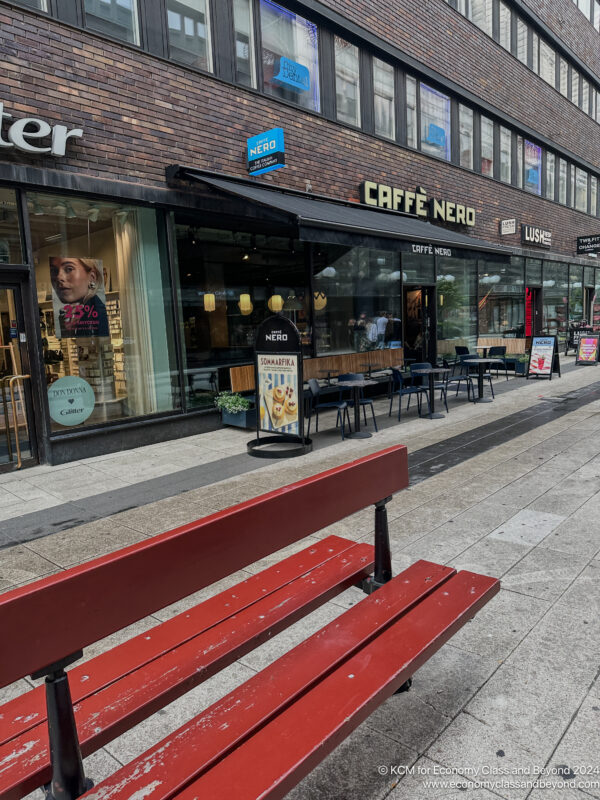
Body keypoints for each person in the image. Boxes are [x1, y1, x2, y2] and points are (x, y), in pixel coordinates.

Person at [50, 257, 109, 337]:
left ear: (92, 277)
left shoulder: (95, 311)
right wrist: (67, 333)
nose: (58, 277)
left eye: (69, 269)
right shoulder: (86, 309)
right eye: (54, 271)